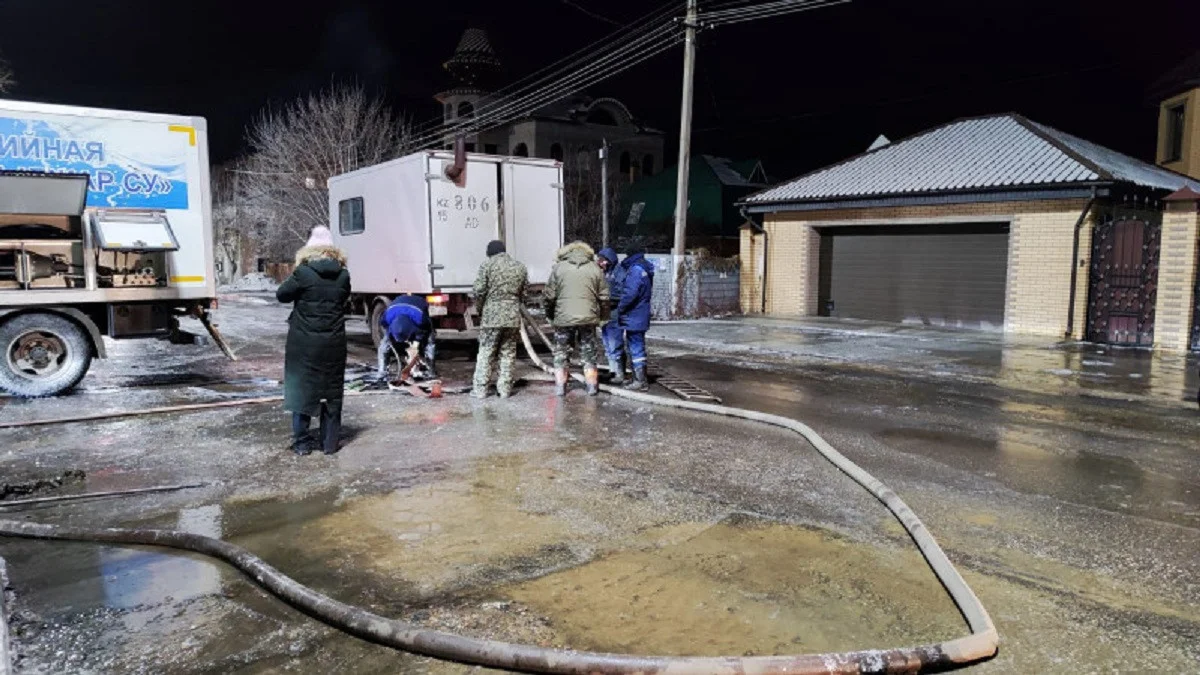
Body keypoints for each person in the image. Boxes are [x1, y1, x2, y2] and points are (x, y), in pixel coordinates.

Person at [276, 226, 351, 456]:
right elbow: (344, 298)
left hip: (304, 344)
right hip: (334, 342)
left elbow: (282, 295)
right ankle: (329, 444)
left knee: (302, 390)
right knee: (332, 391)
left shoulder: (303, 272)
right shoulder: (343, 274)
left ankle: (302, 443)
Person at [543, 241, 609, 396]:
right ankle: (592, 386)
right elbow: (604, 297)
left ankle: (560, 387)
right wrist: (603, 317)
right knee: (589, 352)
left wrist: (551, 315)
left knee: (561, 353)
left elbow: (549, 296)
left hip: (563, 318)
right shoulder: (595, 269)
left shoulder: (559, 268)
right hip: (588, 318)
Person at [471, 240, 528, 398]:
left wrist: (481, 309)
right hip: (512, 316)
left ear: (490, 253)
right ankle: (504, 390)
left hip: (492, 316)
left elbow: (479, 291)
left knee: (486, 351)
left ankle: (480, 390)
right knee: (508, 352)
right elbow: (524, 293)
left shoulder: (487, 265)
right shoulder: (520, 266)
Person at [616, 245, 655, 391]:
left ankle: (640, 381)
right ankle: (637, 378)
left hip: (634, 314)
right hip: (640, 314)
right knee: (635, 346)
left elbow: (630, 293)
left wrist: (620, 308)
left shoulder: (635, 270)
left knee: (636, 347)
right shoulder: (644, 268)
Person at [376, 294, 437, 381]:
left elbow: (425, 330)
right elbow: (385, 326)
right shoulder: (387, 318)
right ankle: (382, 371)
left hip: (418, 303)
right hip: (397, 308)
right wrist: (390, 338)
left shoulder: (421, 319)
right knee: (384, 344)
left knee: (430, 340)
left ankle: (431, 371)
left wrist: (416, 344)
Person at [596, 247, 627, 385]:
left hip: (614, 313)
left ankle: (619, 372)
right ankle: (613, 370)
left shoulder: (619, 273)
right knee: (608, 344)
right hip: (606, 313)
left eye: (603, 260)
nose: (600, 263)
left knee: (615, 343)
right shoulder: (606, 273)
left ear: (609, 260)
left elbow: (621, 293)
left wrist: (606, 299)